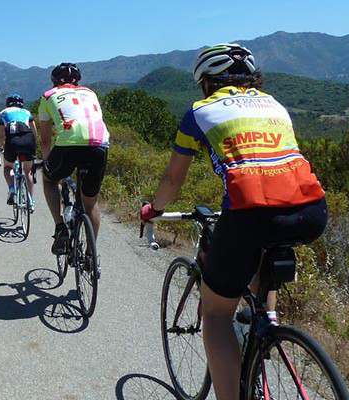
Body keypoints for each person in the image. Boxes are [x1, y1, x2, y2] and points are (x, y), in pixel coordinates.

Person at [140, 44, 327, 400]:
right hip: (312, 210)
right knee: (266, 247)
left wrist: (154, 209)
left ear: (206, 82)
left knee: (214, 314)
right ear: (253, 78)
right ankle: (265, 325)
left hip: (249, 212)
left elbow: (173, 180)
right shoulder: (276, 105)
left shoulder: (199, 111)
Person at [36, 63, 110, 255]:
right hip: (99, 144)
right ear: (78, 81)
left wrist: (47, 163)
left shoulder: (48, 96)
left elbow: (45, 141)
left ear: (54, 81)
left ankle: (60, 227)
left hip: (68, 144)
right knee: (90, 203)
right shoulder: (91, 93)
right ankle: (91, 254)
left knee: (49, 180)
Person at [0, 93, 37, 208]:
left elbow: (1, 136)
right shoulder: (27, 112)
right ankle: (31, 201)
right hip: (28, 140)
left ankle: (12, 188)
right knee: (28, 171)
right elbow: (34, 132)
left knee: (7, 168)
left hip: (12, 142)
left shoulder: (3, 112)